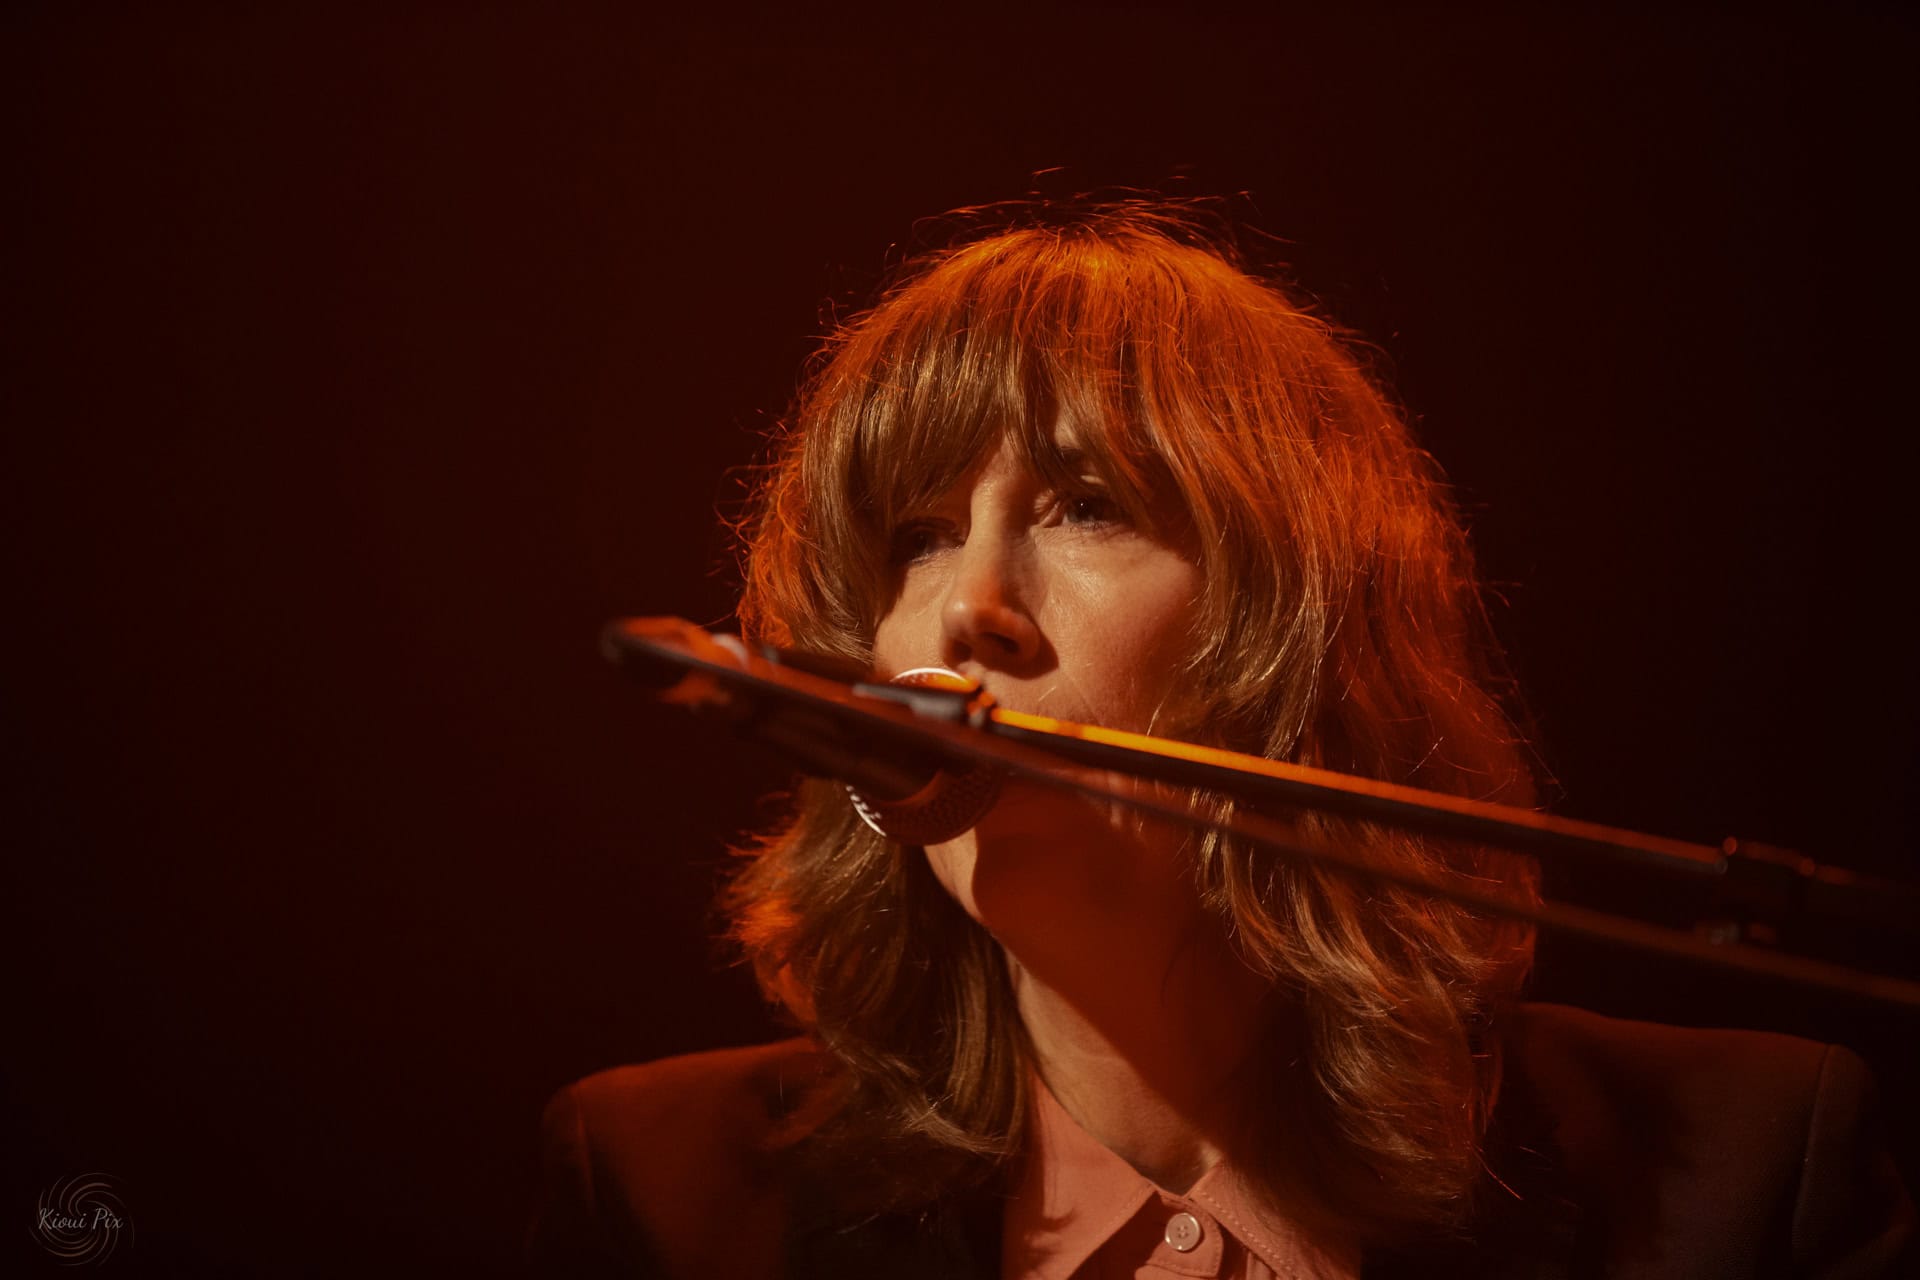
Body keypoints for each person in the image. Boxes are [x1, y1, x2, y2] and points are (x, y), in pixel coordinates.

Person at [528, 202, 1912, 1278]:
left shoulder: (1741, 1173)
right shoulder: (666, 1197)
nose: (969, 607)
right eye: (921, 535)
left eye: (1086, 507)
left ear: (1299, 625)